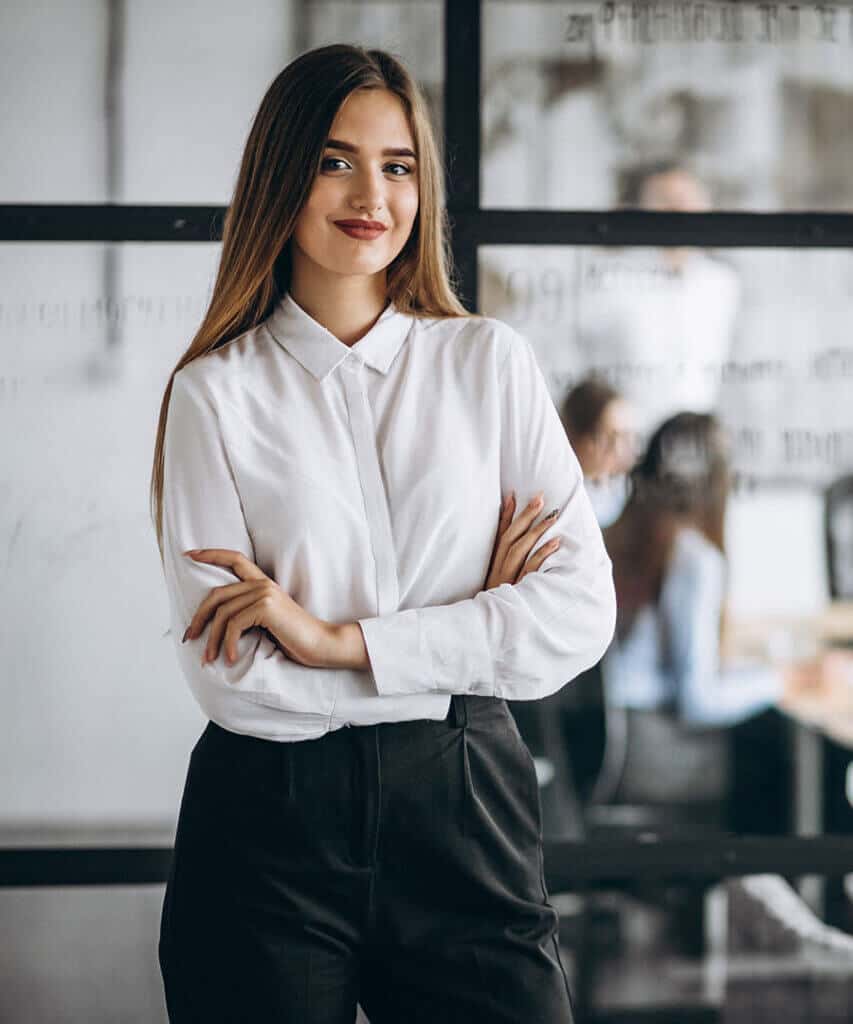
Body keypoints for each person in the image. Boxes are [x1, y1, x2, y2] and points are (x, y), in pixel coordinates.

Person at [149, 44, 616, 1023]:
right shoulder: (214, 394)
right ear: (282, 174)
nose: (372, 191)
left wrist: (331, 639)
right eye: (334, 159)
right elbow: (235, 681)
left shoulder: (487, 363)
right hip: (266, 827)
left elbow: (575, 615)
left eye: (397, 163)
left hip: (466, 805)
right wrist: (468, 631)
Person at [595, 411, 833, 813]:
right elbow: (698, 701)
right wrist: (789, 680)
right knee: (780, 749)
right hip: (645, 756)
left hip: (592, 752)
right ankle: (782, 875)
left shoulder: (609, 534)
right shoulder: (693, 559)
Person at [575, 161, 740, 439]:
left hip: (698, 444)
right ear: (642, 209)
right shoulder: (610, 279)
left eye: (687, 202)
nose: (677, 212)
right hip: (624, 446)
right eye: (665, 202)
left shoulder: (723, 284)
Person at [560, 374, 636, 527]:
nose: (618, 449)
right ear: (575, 437)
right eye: (606, 437)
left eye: (626, 436)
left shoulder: (629, 495)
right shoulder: (561, 503)